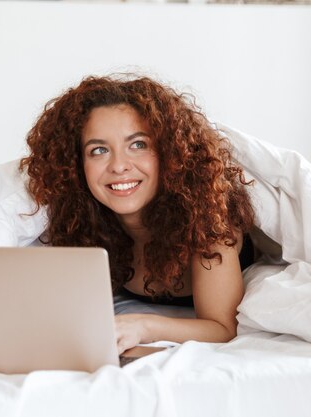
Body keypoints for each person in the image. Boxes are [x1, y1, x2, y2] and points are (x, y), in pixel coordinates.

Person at [20, 75, 255, 354]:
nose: (119, 166)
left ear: (169, 152)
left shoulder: (208, 217)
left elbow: (222, 328)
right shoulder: (82, 224)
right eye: (99, 150)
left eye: (138, 145)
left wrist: (142, 326)